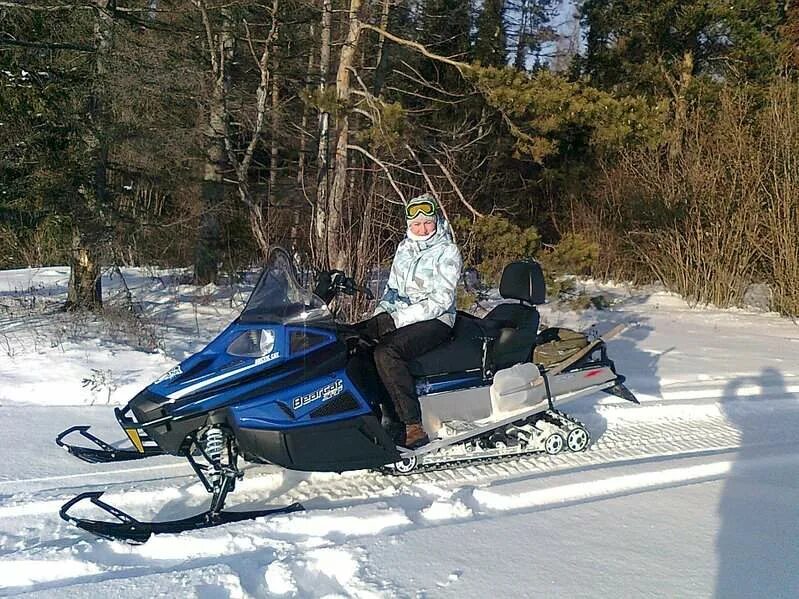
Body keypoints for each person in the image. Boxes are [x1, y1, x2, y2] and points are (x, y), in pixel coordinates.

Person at [358, 193, 462, 448]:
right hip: (403, 318)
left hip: (437, 319)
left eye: (427, 222)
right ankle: (376, 415)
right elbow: (392, 291)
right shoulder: (404, 248)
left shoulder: (447, 251)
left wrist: (395, 320)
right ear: (409, 225)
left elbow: (441, 300)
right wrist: (379, 318)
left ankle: (411, 425)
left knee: (387, 353)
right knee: (361, 344)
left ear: (436, 221)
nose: (422, 228)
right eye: (416, 224)